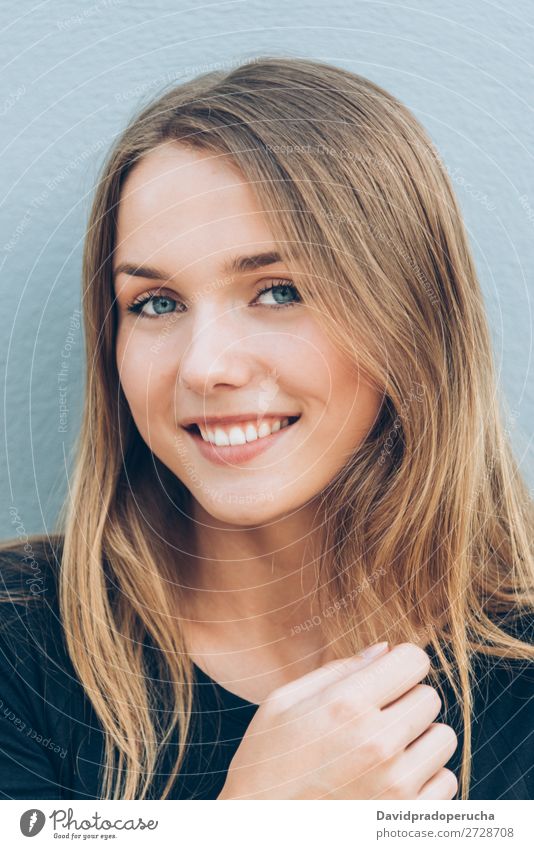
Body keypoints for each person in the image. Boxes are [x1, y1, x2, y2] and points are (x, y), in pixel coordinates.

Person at [1, 56, 533, 801]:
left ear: (411, 318)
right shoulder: (17, 649)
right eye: (155, 302)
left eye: (278, 290)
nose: (205, 366)